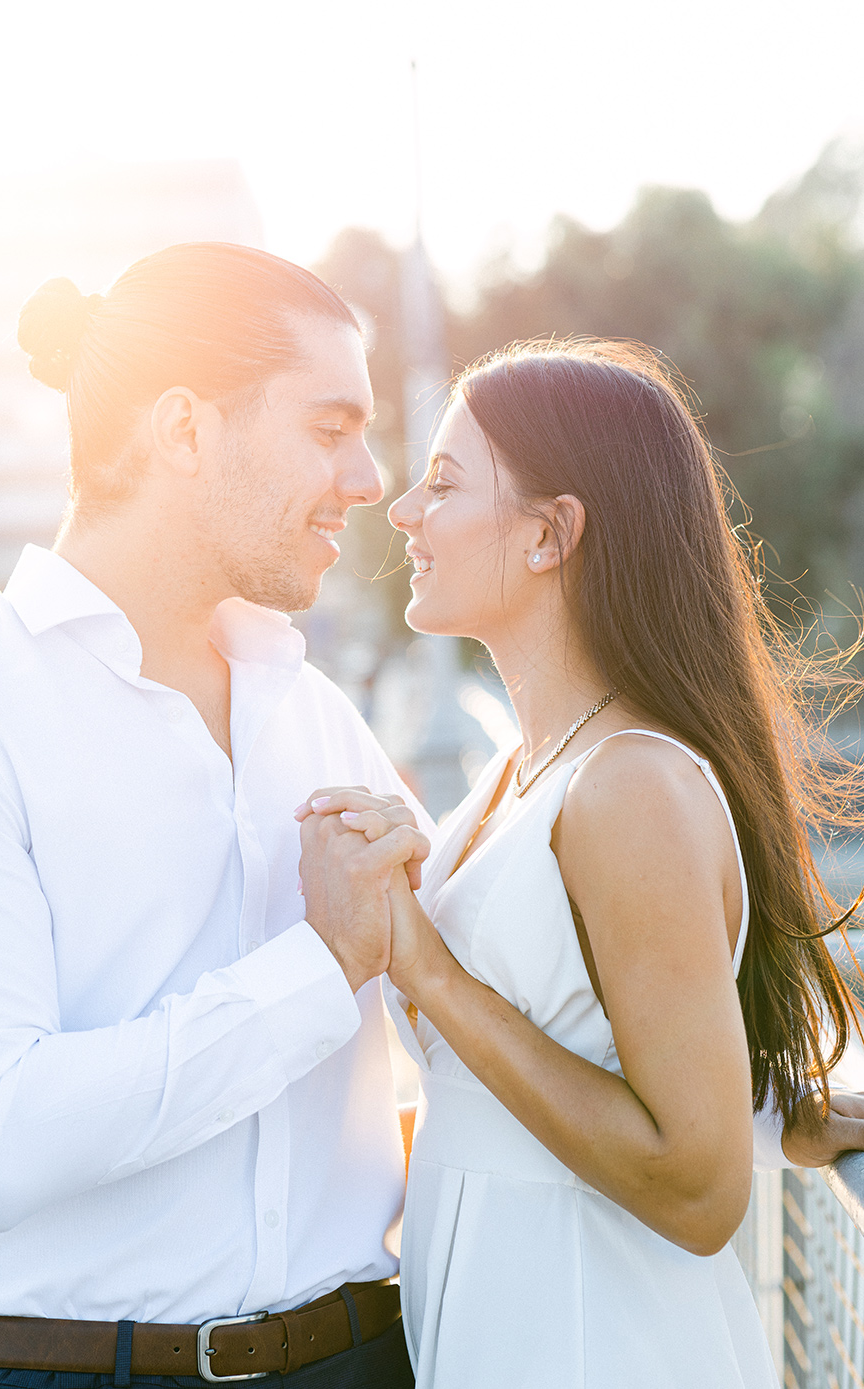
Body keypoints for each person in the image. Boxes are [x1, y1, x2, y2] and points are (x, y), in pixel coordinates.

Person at [296, 339, 864, 1387]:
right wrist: (757, 1098)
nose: (405, 511)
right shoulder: (522, 770)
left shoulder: (628, 785)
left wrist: (426, 970)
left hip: (599, 1341)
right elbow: (586, 1049)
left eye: (446, 481)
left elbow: (696, 1194)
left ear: (552, 534)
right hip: (507, 1332)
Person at [0, 243, 432, 1389]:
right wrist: (322, 968)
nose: (366, 480)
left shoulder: (312, 711)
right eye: (327, 428)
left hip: (358, 1360)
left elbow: (482, 988)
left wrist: (768, 1101)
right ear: (184, 430)